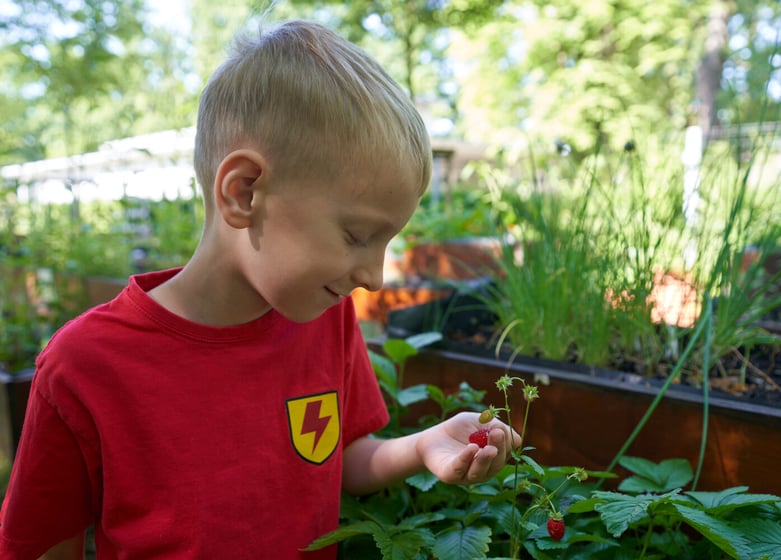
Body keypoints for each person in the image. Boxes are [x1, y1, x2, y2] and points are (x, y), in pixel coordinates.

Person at [0, 19, 520, 560]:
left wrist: (423, 445)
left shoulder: (324, 316)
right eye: (357, 236)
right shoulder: (85, 364)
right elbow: (40, 547)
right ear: (245, 193)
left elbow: (342, 459)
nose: (374, 277)